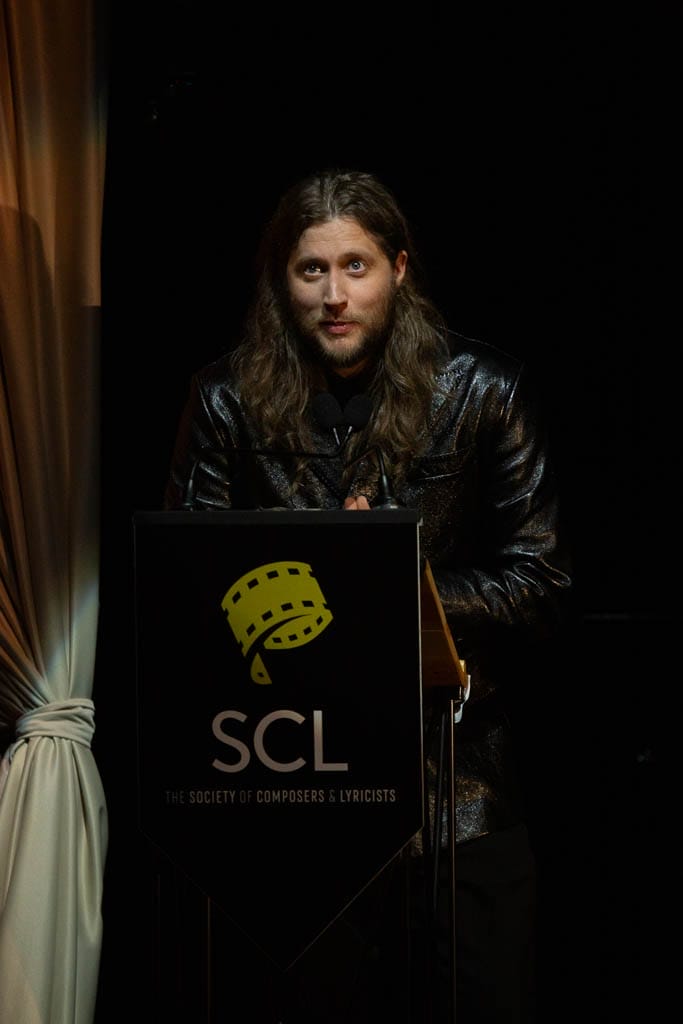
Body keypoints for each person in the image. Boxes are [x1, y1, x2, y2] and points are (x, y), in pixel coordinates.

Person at [163, 168, 572, 1022]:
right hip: (293, 791)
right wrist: (321, 570)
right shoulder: (225, 400)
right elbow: (183, 586)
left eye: (356, 266)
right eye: (311, 270)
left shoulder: (483, 389)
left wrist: (387, 580)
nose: (334, 296)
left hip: (457, 791)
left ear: (399, 268)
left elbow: (538, 583)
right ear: (281, 280)